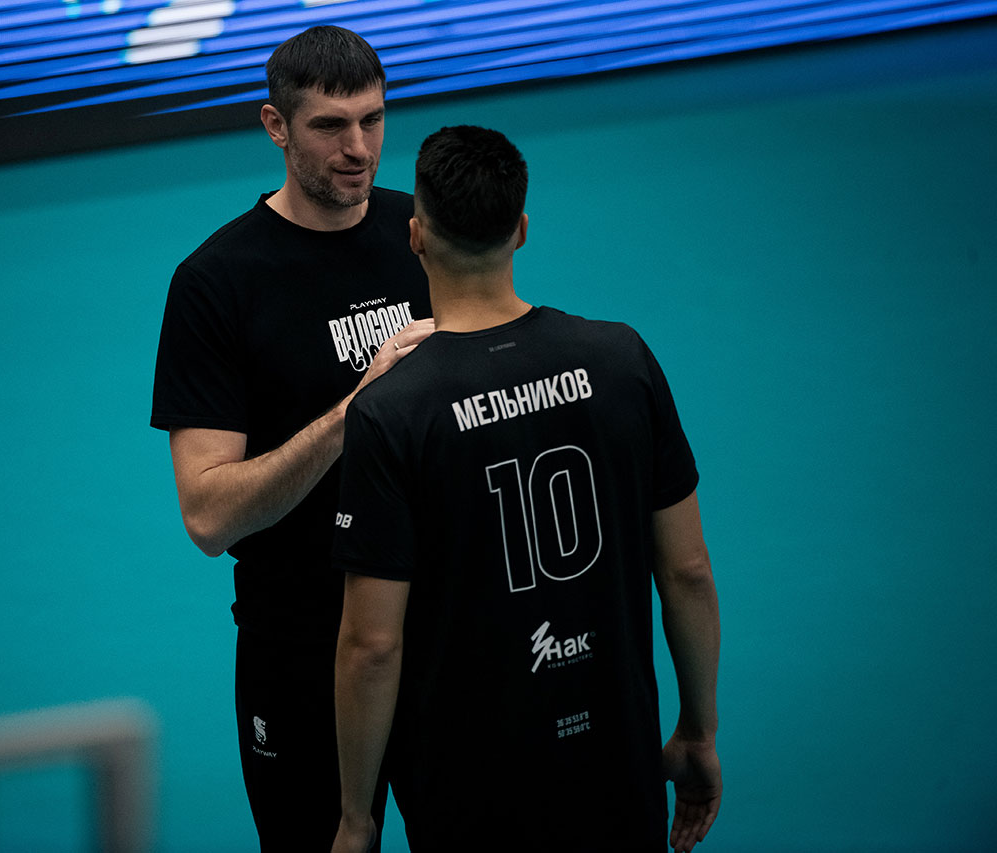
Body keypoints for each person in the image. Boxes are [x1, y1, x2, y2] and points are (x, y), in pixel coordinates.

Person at [331, 125, 722, 852]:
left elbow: (372, 645)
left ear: (416, 236)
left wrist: (357, 817)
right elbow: (688, 571)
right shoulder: (623, 358)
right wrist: (698, 733)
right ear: (521, 230)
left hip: (468, 791)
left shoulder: (390, 411)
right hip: (617, 765)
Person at [150, 25, 432, 850]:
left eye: (373, 120)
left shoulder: (422, 229)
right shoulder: (215, 284)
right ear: (275, 125)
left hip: (439, 624)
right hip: (300, 645)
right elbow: (209, 515)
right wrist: (356, 411)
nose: (359, 149)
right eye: (329, 126)